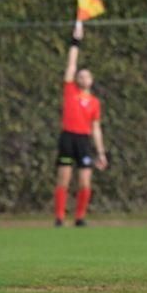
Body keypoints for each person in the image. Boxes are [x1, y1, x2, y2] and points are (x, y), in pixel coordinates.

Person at [54, 20, 107, 226]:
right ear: (77, 78)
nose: (83, 77)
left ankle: (79, 217)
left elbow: (96, 128)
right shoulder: (70, 91)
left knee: (85, 180)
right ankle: (59, 217)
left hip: (83, 141)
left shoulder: (95, 102)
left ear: (91, 80)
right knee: (63, 178)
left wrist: (101, 152)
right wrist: (76, 40)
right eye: (80, 75)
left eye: (87, 75)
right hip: (68, 137)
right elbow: (71, 64)